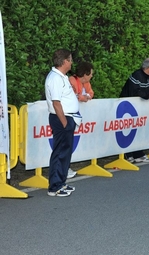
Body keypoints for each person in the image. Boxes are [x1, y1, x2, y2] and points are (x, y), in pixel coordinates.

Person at [45, 49, 79, 197]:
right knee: (60, 152)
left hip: (66, 117)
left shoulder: (62, 77)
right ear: (64, 61)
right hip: (61, 119)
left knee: (65, 152)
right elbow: (56, 103)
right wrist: (65, 123)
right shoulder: (55, 78)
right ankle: (55, 186)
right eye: (70, 60)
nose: (71, 63)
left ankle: (61, 182)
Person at [120, 58, 149, 163]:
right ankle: (128, 154)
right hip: (127, 108)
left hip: (140, 109)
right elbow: (135, 92)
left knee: (139, 130)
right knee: (128, 130)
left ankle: (138, 154)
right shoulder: (136, 75)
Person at [67, 61, 95, 178]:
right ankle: (65, 168)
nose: (92, 76)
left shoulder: (86, 83)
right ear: (85, 74)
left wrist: (85, 97)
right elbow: (74, 95)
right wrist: (83, 97)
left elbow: (91, 93)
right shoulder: (72, 80)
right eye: (91, 73)